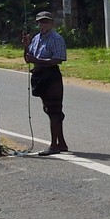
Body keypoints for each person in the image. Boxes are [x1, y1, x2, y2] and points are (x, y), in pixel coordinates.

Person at [24, 11, 69, 154]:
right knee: (49, 109)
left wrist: (37, 61)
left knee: (54, 110)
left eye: (46, 22)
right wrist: (26, 46)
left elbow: (58, 60)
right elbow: (28, 58)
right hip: (39, 75)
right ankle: (61, 143)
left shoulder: (56, 38)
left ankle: (54, 145)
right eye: (40, 22)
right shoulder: (36, 38)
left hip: (51, 75)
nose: (43, 25)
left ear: (51, 23)